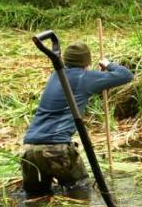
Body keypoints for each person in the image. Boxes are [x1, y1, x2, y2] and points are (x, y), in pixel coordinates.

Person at [20, 41, 133, 197]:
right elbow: (126, 75)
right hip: (56, 148)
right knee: (80, 193)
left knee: (35, 199)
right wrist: (107, 64)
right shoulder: (84, 78)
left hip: (29, 149)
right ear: (87, 62)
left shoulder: (56, 75)